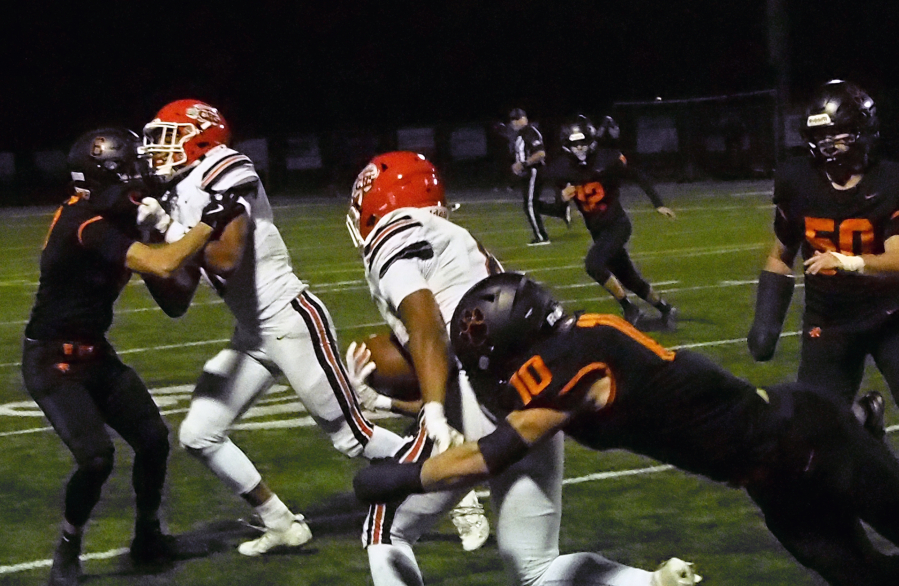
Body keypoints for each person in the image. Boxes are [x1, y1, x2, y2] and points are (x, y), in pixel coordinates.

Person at [355, 272, 899, 586]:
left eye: (495, 364)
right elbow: (502, 417)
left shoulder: (580, 360)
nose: (495, 381)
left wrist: (405, 477)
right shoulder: (565, 350)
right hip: (770, 480)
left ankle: (858, 432)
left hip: (811, 443)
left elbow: (495, 450)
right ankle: (861, 429)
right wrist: (387, 402)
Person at [345, 151, 696, 586]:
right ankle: (653, 583)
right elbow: (437, 345)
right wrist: (387, 400)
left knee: (386, 531)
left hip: (479, 385)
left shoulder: (392, 232)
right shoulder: (453, 241)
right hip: (535, 390)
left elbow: (427, 322)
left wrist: (433, 409)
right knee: (535, 568)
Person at [137, 99, 407, 556]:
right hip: (251, 333)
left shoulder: (222, 167)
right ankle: (281, 522)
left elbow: (224, 258)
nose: (157, 150)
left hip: (289, 318)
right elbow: (177, 299)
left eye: (168, 137)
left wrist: (167, 231)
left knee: (351, 436)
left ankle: (453, 485)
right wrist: (149, 246)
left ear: (199, 138)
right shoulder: (177, 191)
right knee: (198, 434)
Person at [22, 128, 239, 586]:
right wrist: (204, 226)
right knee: (96, 458)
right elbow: (162, 264)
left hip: (95, 353)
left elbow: (176, 301)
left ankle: (147, 536)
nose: (144, 171)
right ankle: (67, 548)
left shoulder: (116, 214)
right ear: (109, 174)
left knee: (153, 439)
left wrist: (166, 228)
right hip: (53, 362)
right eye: (132, 165)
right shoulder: (85, 223)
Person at [748, 80, 899, 415]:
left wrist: (851, 262)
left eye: (839, 133)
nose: (828, 144)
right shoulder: (798, 180)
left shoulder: (890, 182)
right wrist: (766, 321)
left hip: (889, 314)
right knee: (816, 425)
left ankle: (862, 420)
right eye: (821, 135)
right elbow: (781, 253)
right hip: (829, 319)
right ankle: (864, 419)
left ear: (863, 130)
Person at [545, 115, 677, 328]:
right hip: (597, 230)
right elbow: (559, 211)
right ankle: (666, 309)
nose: (579, 147)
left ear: (591, 140)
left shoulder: (607, 159)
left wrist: (657, 203)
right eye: (574, 143)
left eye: (582, 142)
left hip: (617, 224)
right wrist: (557, 200)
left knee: (593, 264)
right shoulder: (562, 169)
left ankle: (629, 308)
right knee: (629, 277)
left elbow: (637, 175)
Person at [507, 108, 570, 245]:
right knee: (532, 204)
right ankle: (559, 210)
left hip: (534, 171)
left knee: (529, 205)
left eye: (518, 119)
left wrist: (523, 164)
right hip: (528, 172)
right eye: (513, 119)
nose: (516, 122)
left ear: (524, 119)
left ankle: (541, 237)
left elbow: (540, 153)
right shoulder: (521, 134)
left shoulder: (529, 132)